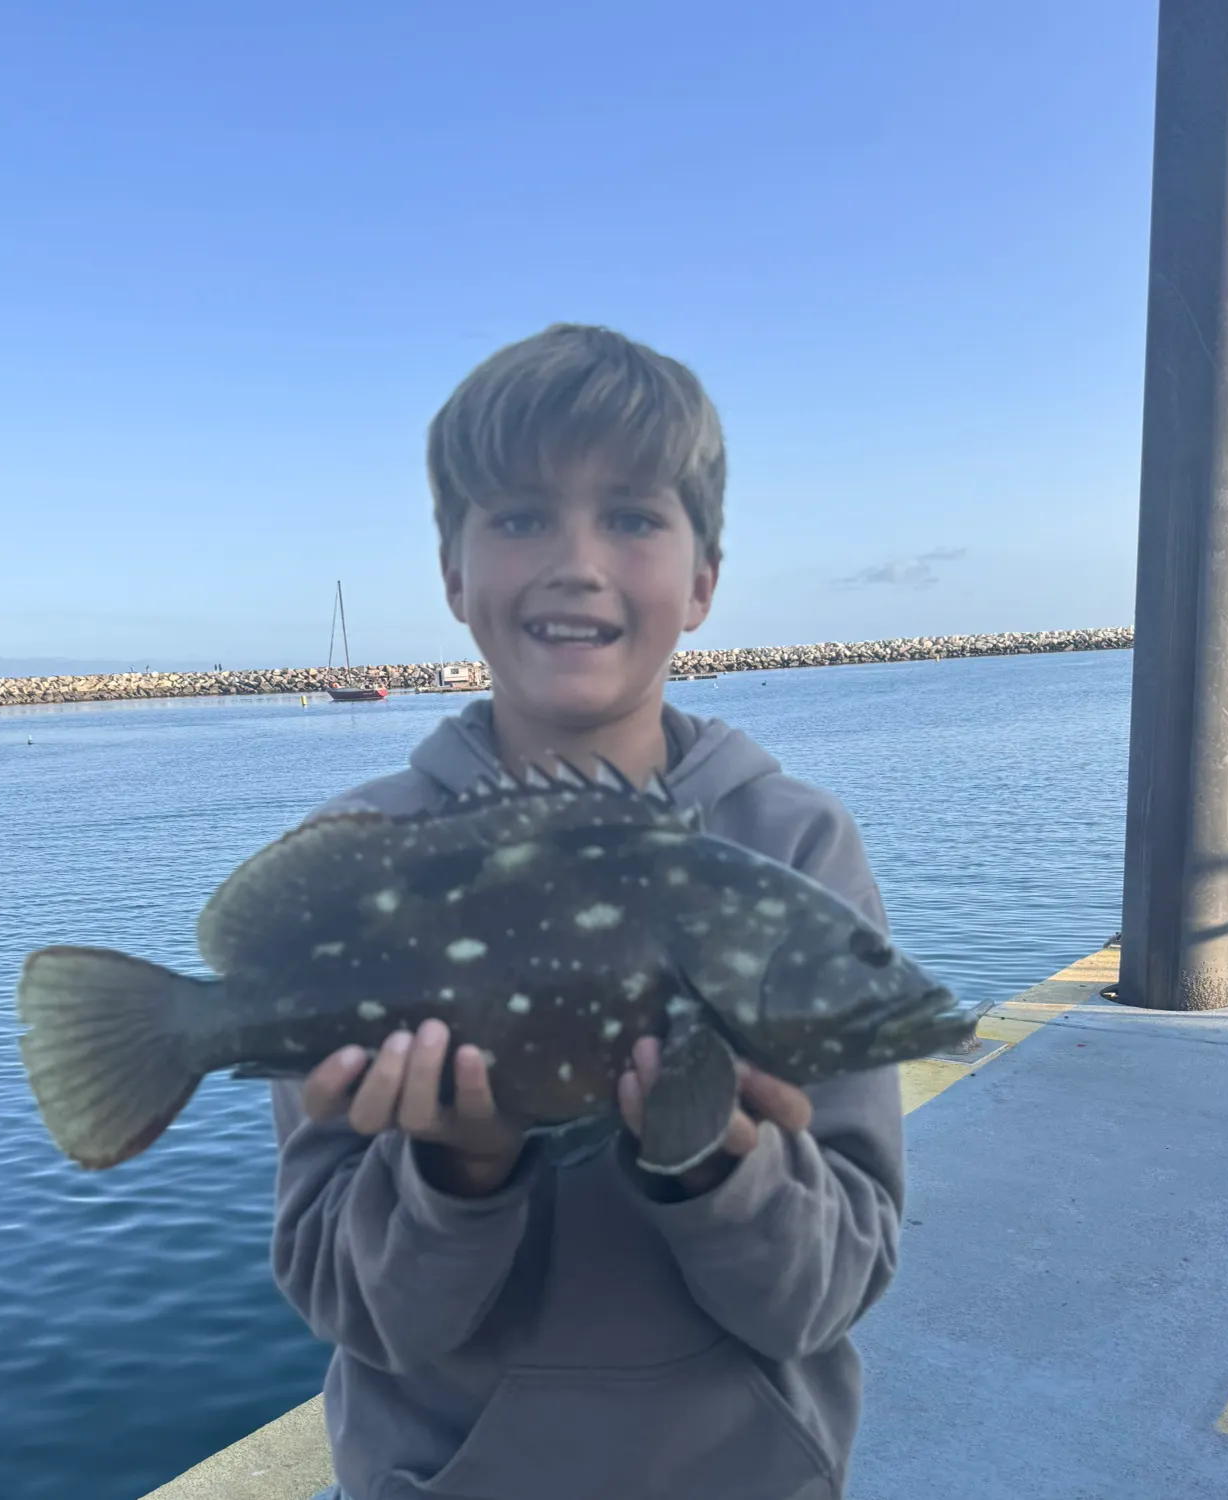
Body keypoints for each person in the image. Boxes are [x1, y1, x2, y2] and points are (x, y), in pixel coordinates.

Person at [271, 324, 904, 1500]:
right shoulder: (358, 865)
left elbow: (827, 1292)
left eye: (631, 516)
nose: (576, 561)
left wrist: (719, 1167)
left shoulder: (797, 850)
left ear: (703, 580)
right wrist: (458, 1169)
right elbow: (353, 1307)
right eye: (519, 517)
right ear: (453, 575)